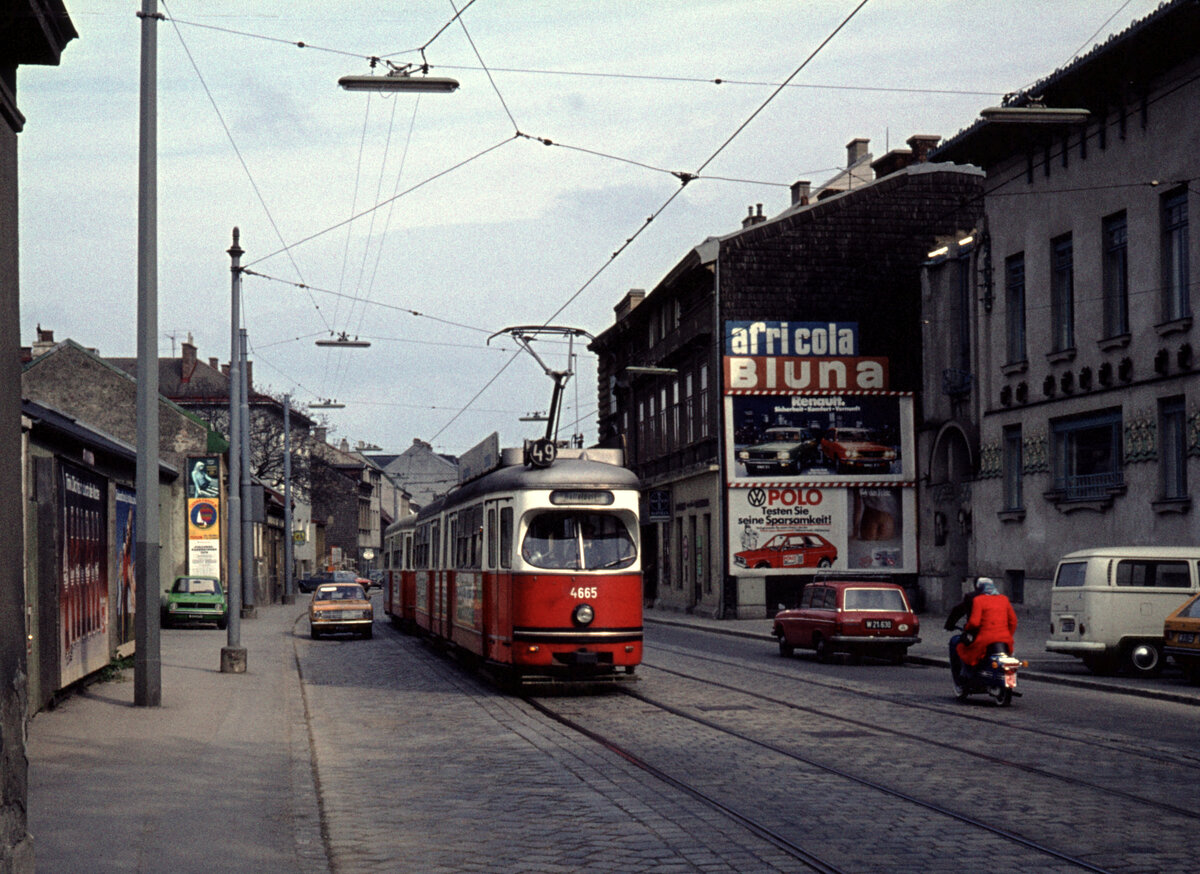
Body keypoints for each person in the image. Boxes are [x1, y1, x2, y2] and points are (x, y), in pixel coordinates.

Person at [950, 578, 1017, 680]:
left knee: (963, 649)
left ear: (980, 588)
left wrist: (967, 628)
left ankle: (967, 675)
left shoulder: (979, 600)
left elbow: (974, 622)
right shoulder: (1004, 599)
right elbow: (1013, 621)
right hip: (1005, 640)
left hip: (986, 639)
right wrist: (1008, 634)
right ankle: (1008, 679)